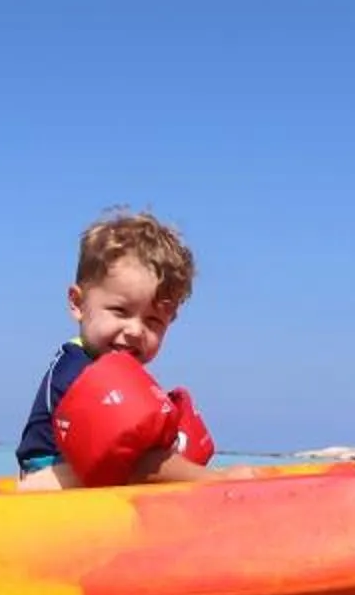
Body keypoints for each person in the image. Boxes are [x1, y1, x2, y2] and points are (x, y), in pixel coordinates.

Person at [15, 207, 223, 491]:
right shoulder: (76, 369)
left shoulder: (120, 378)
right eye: (120, 311)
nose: (136, 330)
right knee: (132, 459)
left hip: (80, 478)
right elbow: (134, 462)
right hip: (47, 481)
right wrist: (216, 479)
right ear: (78, 303)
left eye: (153, 321)